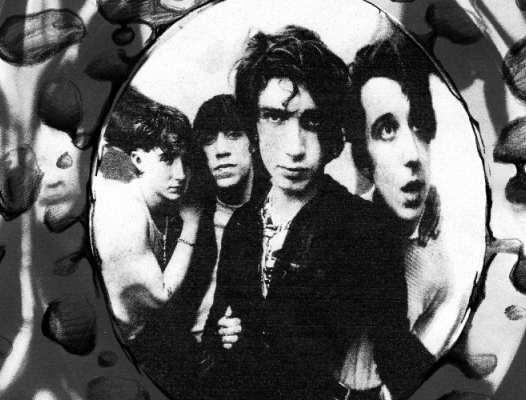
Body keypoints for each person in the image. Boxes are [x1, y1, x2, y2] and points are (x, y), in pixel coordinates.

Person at [201, 26, 434, 400]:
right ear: (254, 125)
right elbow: (216, 334)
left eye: (312, 121)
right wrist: (224, 335)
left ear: (332, 132)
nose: (295, 148)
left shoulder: (365, 227)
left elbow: (394, 349)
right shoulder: (242, 224)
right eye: (276, 117)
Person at [92, 88, 235, 399]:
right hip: (103, 353)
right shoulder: (125, 212)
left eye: (185, 160)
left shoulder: (147, 197)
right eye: (168, 160)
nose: (181, 174)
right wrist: (192, 224)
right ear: (138, 159)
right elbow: (159, 295)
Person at [348, 33, 465, 367]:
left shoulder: (440, 272)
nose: (413, 155)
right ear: (364, 159)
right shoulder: (338, 231)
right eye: (387, 130)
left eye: (419, 126)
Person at [191, 94, 269, 341]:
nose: (220, 150)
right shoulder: (190, 213)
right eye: (208, 140)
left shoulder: (277, 211)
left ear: (253, 142)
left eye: (233, 135)